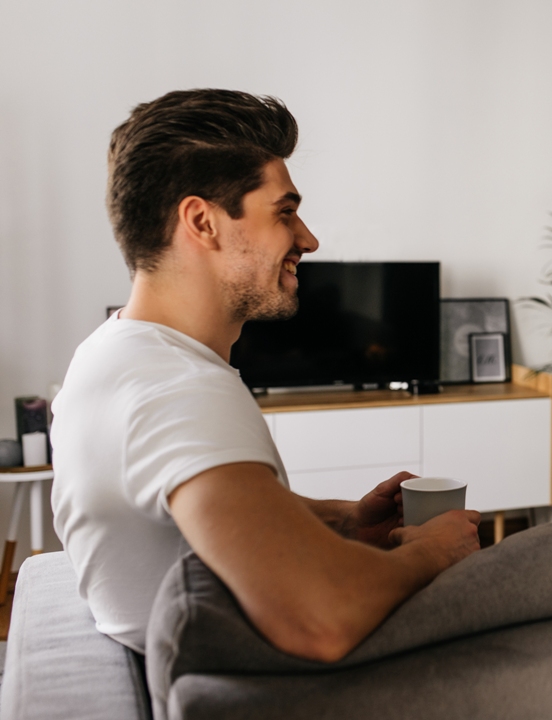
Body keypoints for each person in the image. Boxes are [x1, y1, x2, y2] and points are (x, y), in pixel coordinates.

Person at [50, 89, 481, 662]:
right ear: (202, 221)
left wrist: (345, 523)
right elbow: (320, 618)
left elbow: (192, 514)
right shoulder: (176, 389)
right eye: (284, 211)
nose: (308, 239)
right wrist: (435, 553)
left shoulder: (114, 353)